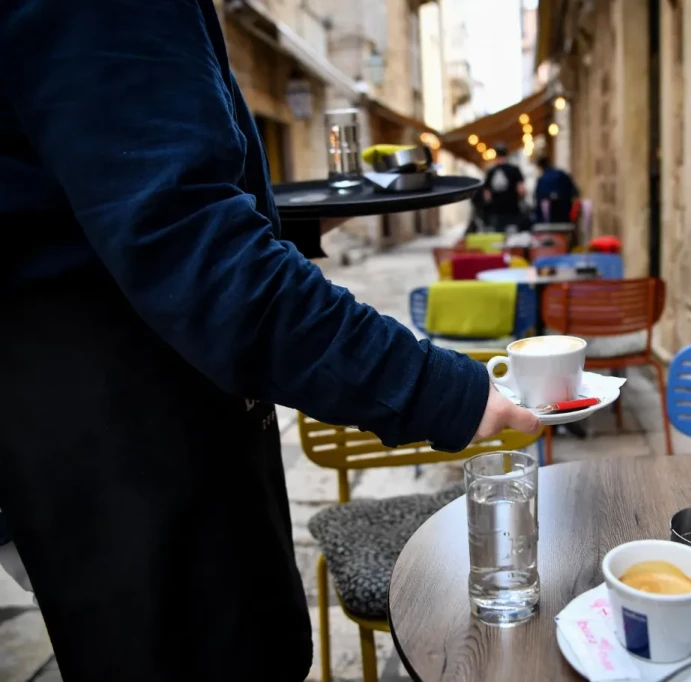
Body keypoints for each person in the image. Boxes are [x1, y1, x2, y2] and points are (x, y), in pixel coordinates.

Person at [0, 2, 540, 681]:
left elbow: (108, 204)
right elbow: (193, 249)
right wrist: (443, 389)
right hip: (134, 437)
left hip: (104, 427)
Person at [482, 143, 526, 231]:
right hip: (513, 210)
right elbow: (521, 190)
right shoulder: (514, 169)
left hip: (496, 212)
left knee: (499, 239)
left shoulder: (491, 172)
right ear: (507, 154)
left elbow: (487, 195)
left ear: (496, 155)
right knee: (512, 239)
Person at [533, 155, 579, 224]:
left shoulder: (542, 179)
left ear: (540, 167)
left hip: (547, 220)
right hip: (565, 217)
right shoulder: (562, 174)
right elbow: (575, 192)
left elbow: (537, 198)